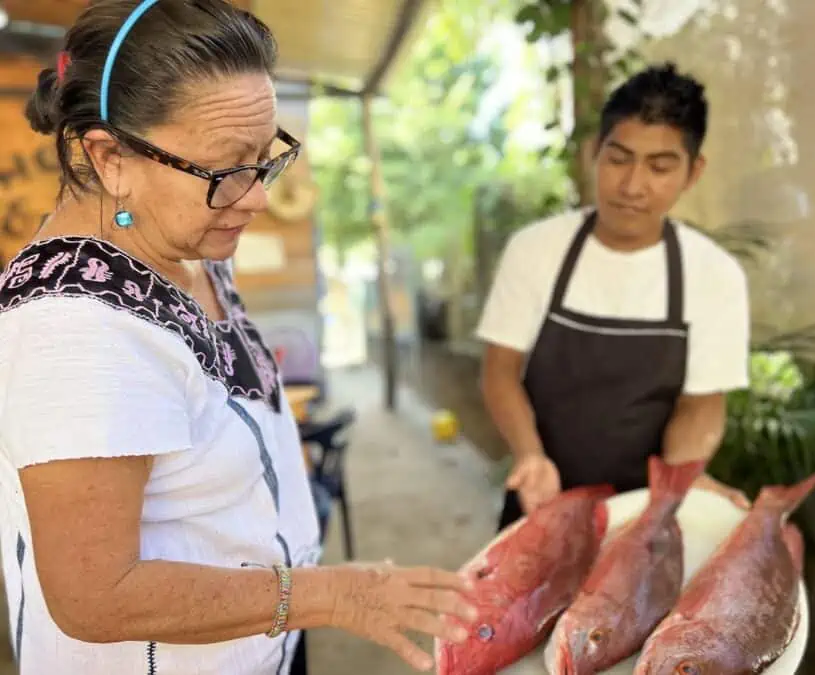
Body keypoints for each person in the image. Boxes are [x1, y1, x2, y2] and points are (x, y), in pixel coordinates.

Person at [0, 1, 478, 673]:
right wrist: (331, 594)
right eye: (227, 171)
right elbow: (94, 595)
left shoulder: (181, 238)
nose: (254, 197)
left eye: (265, 158)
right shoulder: (74, 330)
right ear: (110, 157)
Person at [477, 62, 752, 531]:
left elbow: (701, 404)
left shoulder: (713, 275)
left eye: (660, 167)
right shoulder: (538, 249)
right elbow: (500, 371)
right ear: (594, 152)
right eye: (619, 159)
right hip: (541, 501)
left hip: (646, 518)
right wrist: (530, 455)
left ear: (692, 172)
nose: (632, 186)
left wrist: (679, 481)